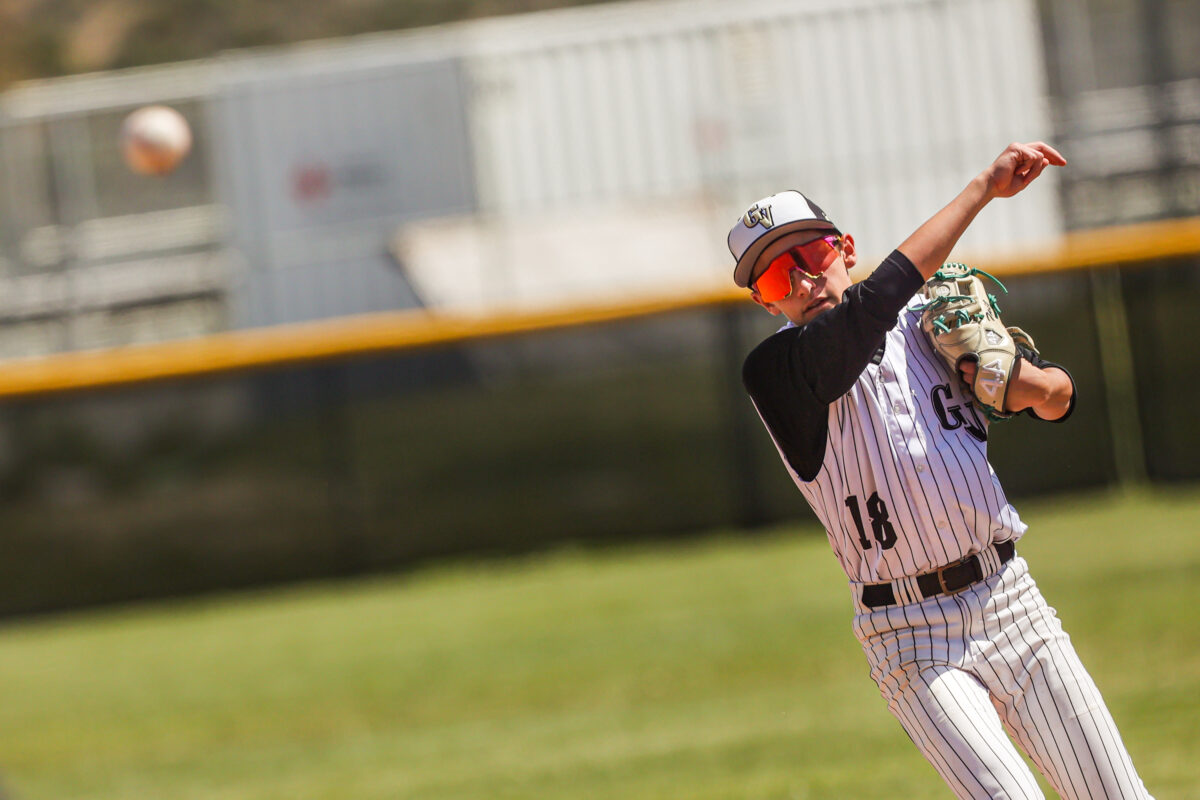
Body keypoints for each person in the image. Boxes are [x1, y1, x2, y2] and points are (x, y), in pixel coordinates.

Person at [728, 142, 1153, 799]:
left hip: (1011, 600)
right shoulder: (775, 372)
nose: (804, 282)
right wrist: (982, 188)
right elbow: (873, 304)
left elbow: (1055, 397)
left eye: (810, 256)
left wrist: (1025, 382)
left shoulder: (928, 322)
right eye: (779, 278)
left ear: (844, 249)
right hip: (910, 636)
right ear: (765, 302)